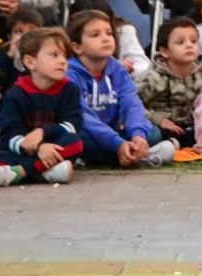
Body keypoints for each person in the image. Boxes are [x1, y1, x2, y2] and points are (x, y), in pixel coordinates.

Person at [65, 9, 175, 168]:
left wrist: (138, 136)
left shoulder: (118, 70)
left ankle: (129, 152)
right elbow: (84, 118)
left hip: (113, 133)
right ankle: (140, 156)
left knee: (152, 132)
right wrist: (117, 144)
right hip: (90, 132)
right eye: (95, 35)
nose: (105, 39)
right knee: (75, 137)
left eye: (109, 33)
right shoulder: (70, 75)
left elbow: (132, 105)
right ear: (77, 47)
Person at [0, 27, 82, 188]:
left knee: (75, 142)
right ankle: (44, 172)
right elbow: (10, 135)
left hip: (55, 144)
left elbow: (72, 125)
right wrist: (39, 149)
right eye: (54, 55)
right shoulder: (16, 94)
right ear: (30, 62)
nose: (62, 61)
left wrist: (42, 132)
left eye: (65, 57)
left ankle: (18, 173)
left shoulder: (69, 89)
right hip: (23, 148)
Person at [137, 18, 202, 148]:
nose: (189, 45)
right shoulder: (152, 77)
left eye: (194, 41)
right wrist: (159, 120)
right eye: (180, 42)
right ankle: (168, 145)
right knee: (153, 133)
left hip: (192, 126)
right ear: (164, 51)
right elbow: (130, 103)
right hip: (163, 126)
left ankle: (178, 143)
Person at [0, 7, 45, 96]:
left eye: (32, 32)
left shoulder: (44, 55)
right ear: (10, 37)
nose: (25, 36)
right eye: (19, 32)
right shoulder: (3, 53)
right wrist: (10, 55)